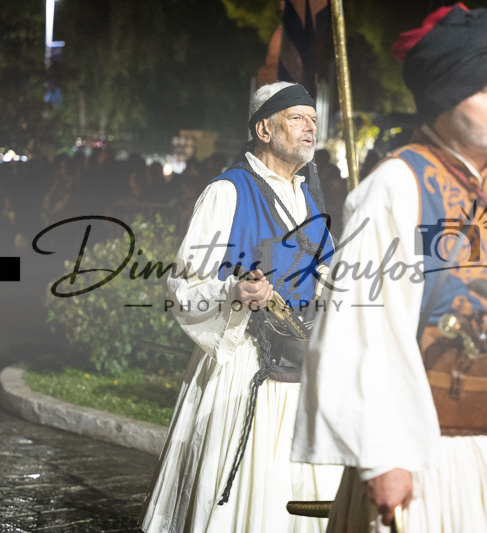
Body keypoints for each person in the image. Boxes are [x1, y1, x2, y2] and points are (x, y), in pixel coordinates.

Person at [292, 5, 487, 532]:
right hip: (426, 459)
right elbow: (358, 330)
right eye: (486, 86)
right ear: (443, 92)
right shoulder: (396, 186)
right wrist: (382, 456)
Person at [139, 81, 342, 533]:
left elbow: (327, 273)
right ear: (264, 130)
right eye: (297, 118)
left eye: (313, 119)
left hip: (301, 368)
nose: (310, 127)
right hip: (243, 365)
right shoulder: (227, 192)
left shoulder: (308, 197)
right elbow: (185, 286)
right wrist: (234, 291)